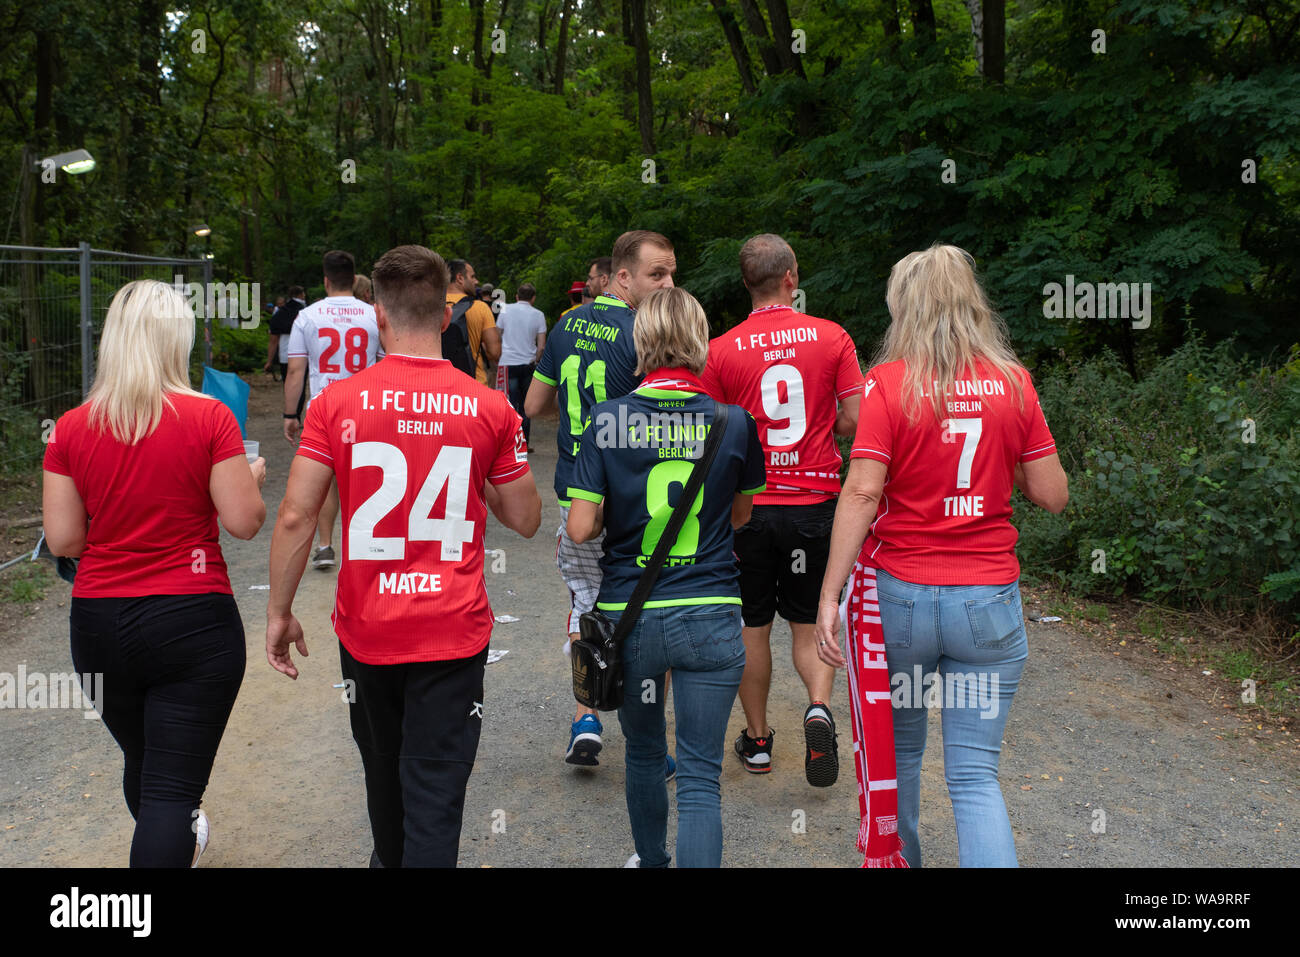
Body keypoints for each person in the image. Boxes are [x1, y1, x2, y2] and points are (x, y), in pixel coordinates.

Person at [266, 244, 541, 868]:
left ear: (379, 318)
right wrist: (479, 461)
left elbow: (296, 514)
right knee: (436, 791)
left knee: (383, 776)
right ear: (446, 318)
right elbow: (525, 520)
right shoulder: (490, 407)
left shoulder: (334, 404)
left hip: (368, 627)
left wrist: (278, 611)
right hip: (452, 625)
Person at [814, 244, 1069, 867]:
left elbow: (864, 490)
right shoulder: (1013, 383)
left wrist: (829, 594)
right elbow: (1053, 496)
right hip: (986, 604)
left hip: (901, 603)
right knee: (975, 778)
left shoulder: (887, 385)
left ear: (905, 309)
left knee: (897, 760)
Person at [42, 279, 267, 867]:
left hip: (98, 624)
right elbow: (243, 522)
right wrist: (251, 477)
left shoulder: (69, 428)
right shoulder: (209, 418)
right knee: (171, 790)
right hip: (192, 619)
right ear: (176, 341)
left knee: (145, 766)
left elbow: (65, 539)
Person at [567, 287, 766, 867]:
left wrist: (614, 508)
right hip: (711, 610)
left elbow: (580, 528)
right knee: (702, 773)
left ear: (641, 341)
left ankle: (651, 861)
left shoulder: (607, 420)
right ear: (699, 342)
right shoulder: (734, 422)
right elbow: (741, 515)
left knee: (646, 755)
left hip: (634, 617)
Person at [700, 234, 863, 787]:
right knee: (807, 620)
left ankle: (760, 740)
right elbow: (854, 419)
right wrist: (824, 428)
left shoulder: (720, 349)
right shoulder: (832, 337)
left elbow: (713, 431)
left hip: (749, 511)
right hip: (815, 504)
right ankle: (818, 707)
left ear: (746, 283)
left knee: (752, 627)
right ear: (791, 276)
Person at [525, 230, 676, 767]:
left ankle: (584, 718)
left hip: (575, 493)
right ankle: (650, 745)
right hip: (632, 494)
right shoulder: (645, 333)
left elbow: (535, 403)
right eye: (656, 274)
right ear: (622, 276)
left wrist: (577, 419)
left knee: (586, 601)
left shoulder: (567, 323)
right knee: (648, 605)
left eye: (671, 274)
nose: (668, 284)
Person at [284, 252, 380, 570]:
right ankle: (363, 545)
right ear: (354, 280)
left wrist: (289, 414)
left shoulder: (307, 316)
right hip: (364, 406)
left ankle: (325, 545)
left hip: (323, 408)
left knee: (326, 480)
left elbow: (296, 370)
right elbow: (386, 362)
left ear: (325, 281)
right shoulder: (374, 315)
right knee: (362, 476)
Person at [495, 282, 547, 450]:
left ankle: (505, 443)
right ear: (533, 298)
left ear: (517, 296)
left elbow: (497, 335)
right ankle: (523, 443)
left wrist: (497, 357)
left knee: (508, 404)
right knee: (526, 405)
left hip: (507, 363)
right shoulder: (538, 315)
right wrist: (536, 360)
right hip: (528, 364)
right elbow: (541, 346)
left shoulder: (504, 310)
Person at [445, 260, 501, 384]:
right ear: (460, 278)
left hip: (440, 387)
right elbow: (495, 352)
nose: (476, 282)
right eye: (472, 276)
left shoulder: (431, 307)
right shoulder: (479, 308)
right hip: (474, 384)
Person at [266, 286, 306, 385]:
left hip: (285, 355)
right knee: (300, 385)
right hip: (303, 355)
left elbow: (273, 341)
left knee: (288, 384)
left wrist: (269, 361)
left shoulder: (279, 314)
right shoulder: (306, 312)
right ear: (300, 295)